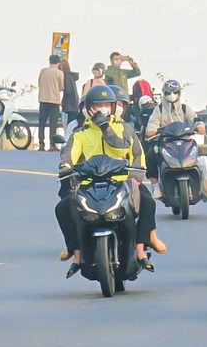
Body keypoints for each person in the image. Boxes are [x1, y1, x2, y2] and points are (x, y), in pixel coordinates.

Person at [58, 85, 162, 264]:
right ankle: (75, 251)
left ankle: (141, 247)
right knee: (62, 208)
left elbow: (131, 151)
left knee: (148, 202)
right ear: (88, 108)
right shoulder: (81, 132)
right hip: (90, 183)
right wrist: (66, 166)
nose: (103, 109)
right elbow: (69, 153)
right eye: (98, 105)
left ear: (114, 107)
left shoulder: (125, 128)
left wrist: (136, 178)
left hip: (121, 181)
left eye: (107, 104)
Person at [35, 54, 66, 150]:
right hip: (54, 101)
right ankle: (52, 145)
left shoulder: (43, 71)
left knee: (42, 123)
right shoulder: (60, 73)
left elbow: (39, 83)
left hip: (43, 100)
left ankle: (41, 144)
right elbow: (61, 87)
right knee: (53, 124)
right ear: (58, 63)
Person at [60, 56, 80, 130]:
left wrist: (61, 88)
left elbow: (68, 90)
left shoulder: (66, 77)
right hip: (73, 106)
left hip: (69, 107)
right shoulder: (70, 77)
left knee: (68, 127)